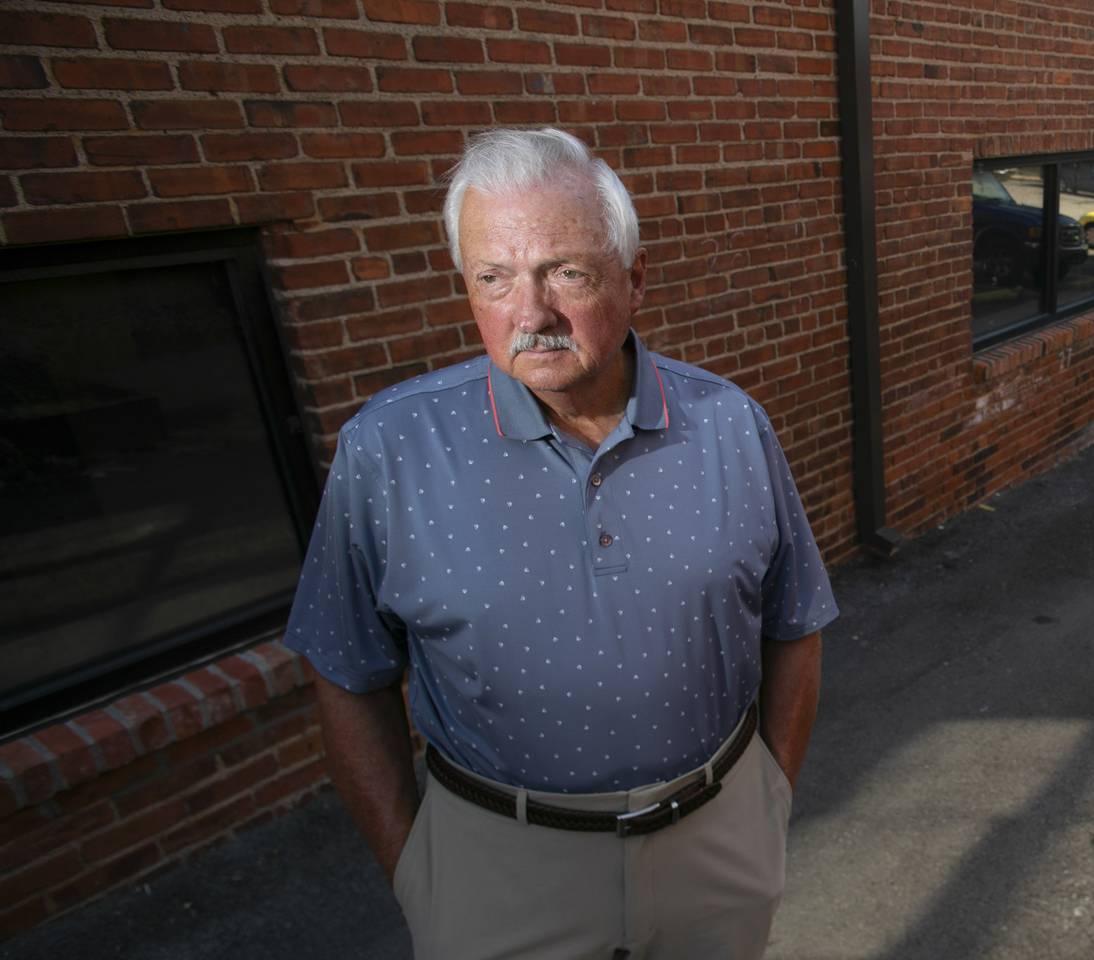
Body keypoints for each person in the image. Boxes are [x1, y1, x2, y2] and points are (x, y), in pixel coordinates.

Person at [284, 127, 838, 960]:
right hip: (499, 872)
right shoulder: (388, 450)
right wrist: (418, 874)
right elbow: (345, 671)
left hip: (717, 849)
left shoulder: (728, 423)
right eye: (494, 278)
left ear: (634, 278)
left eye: (566, 272)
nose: (530, 313)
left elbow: (794, 623)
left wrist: (766, 804)